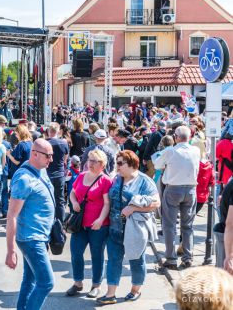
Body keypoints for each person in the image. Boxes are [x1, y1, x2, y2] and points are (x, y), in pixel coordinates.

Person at [97, 150, 160, 305]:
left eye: (120, 163)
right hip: (114, 229)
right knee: (113, 260)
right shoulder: (116, 179)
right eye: (116, 162)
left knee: (136, 261)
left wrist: (133, 208)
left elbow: (156, 203)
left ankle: (135, 290)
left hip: (134, 231)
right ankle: (110, 294)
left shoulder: (144, 181)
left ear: (132, 164)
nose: (117, 166)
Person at [6, 139, 55, 309]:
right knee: (46, 283)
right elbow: (11, 215)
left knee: (30, 280)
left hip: (39, 236)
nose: (51, 159)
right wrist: (10, 251)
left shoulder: (40, 169)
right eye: (48, 156)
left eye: (52, 155)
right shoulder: (24, 178)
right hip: (31, 238)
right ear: (34, 154)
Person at [67, 149, 112, 299]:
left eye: (94, 161)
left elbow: (107, 203)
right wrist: (73, 202)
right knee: (76, 252)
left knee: (96, 255)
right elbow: (73, 192)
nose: (89, 164)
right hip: (80, 224)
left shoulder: (105, 181)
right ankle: (78, 283)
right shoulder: (81, 176)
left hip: (98, 225)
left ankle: (96, 285)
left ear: (102, 164)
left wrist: (100, 220)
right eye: (89, 160)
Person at [154, 126, 200, 269]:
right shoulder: (196, 150)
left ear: (176, 137)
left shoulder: (170, 151)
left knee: (169, 225)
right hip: (191, 189)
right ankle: (187, 257)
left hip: (173, 189)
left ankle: (171, 258)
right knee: (188, 226)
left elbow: (157, 165)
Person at [46, 122, 69, 221]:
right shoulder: (64, 143)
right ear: (58, 131)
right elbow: (65, 159)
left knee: (47, 199)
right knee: (60, 199)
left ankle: (49, 220)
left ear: (48, 131)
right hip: (59, 174)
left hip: (47, 174)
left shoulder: (45, 143)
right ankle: (60, 222)